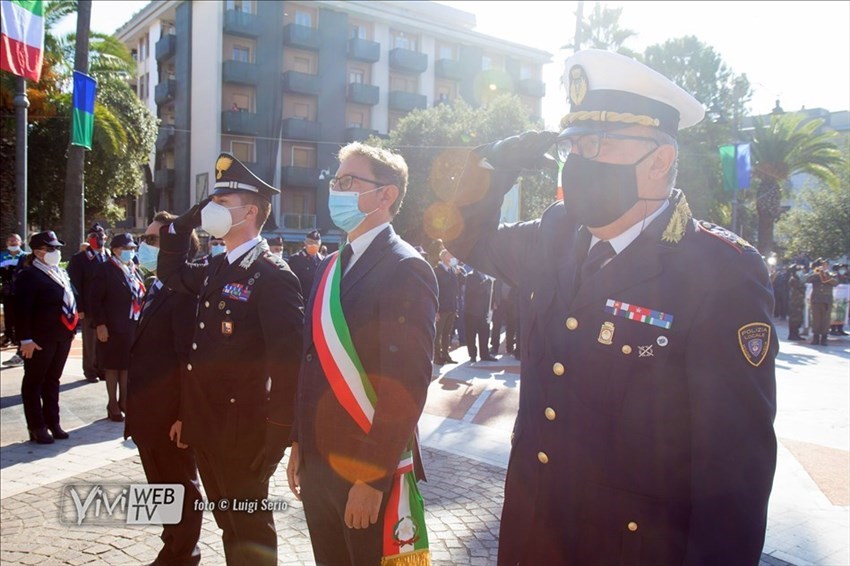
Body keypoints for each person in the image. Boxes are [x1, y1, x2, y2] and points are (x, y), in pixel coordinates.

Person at [445, 49, 778, 565]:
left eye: (598, 143)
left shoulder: (719, 272)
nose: (580, 160)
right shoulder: (556, 233)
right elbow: (464, 238)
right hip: (533, 538)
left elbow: (734, 473)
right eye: (573, 144)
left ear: (660, 160)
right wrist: (493, 163)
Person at [287, 142, 437, 565]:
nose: (336, 190)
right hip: (319, 463)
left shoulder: (406, 268)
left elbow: (406, 384)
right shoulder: (329, 266)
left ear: (386, 195)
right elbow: (310, 360)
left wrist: (371, 480)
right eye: (336, 181)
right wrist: (298, 442)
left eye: (349, 182)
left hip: (365, 470)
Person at [157, 153, 304, 565]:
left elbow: (288, 364)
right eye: (211, 203)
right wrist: (184, 222)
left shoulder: (273, 275)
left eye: (223, 203)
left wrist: (278, 436)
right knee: (227, 522)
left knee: (250, 527)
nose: (213, 211)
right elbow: (169, 273)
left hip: (245, 433)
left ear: (251, 212)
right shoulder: (217, 266)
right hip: (208, 427)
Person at [126, 212, 203, 566]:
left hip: (169, 416)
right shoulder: (158, 286)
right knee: (161, 486)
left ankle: (183, 553)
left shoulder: (183, 293)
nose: (145, 246)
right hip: (148, 414)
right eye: (147, 238)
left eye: (155, 240)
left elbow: (189, 360)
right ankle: (172, 542)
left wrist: (186, 417)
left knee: (180, 487)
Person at [15, 231, 78, 444]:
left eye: (57, 248)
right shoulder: (29, 275)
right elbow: (20, 311)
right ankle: (37, 426)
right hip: (39, 339)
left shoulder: (59, 272)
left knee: (52, 380)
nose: (56, 252)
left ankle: (53, 422)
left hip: (62, 335)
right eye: (51, 249)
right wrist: (25, 340)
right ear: (38, 252)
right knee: (34, 382)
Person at [90, 233, 145, 422]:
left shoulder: (134, 269)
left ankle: (125, 401)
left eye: (132, 249)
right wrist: (100, 324)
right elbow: (95, 300)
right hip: (112, 325)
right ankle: (112, 403)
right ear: (115, 250)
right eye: (126, 248)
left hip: (132, 324)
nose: (130, 252)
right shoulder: (105, 269)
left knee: (127, 365)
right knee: (113, 366)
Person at [67, 223, 110, 383]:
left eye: (100, 236)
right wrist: (79, 307)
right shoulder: (80, 258)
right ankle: (90, 370)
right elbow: (74, 284)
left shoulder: (109, 255)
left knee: (104, 339)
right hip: (89, 307)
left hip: (106, 307)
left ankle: (102, 368)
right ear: (88, 239)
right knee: (90, 341)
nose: (98, 240)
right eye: (94, 237)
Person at [1, 233, 27, 366]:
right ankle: (9, 336)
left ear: (21, 242)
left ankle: (21, 350)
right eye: (10, 240)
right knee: (9, 318)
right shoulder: (2, 256)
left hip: (21, 294)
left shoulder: (25, 257)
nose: (12, 243)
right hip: (7, 293)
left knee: (20, 321)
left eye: (15, 240)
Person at [463, 268, 496, 363]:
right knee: (471, 335)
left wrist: (492, 302)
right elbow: (477, 290)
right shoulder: (470, 276)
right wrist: (488, 281)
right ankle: (473, 355)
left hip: (483, 311)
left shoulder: (486, 276)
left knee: (484, 334)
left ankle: (484, 354)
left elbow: (489, 292)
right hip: (471, 311)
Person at [434, 248, 461, 364]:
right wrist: (436, 310)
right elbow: (436, 290)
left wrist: (458, 274)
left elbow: (457, 288)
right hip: (442, 308)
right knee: (438, 333)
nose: (453, 258)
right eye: (451, 255)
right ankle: (437, 356)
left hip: (451, 307)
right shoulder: (437, 270)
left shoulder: (452, 271)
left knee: (447, 333)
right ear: (445, 257)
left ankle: (445, 354)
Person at [807, 258, 838, 345]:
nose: (823, 267)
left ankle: (824, 338)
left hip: (827, 300)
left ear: (827, 266)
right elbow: (807, 279)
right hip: (816, 300)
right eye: (822, 265)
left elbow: (836, 283)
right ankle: (815, 337)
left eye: (825, 265)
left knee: (825, 320)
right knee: (816, 319)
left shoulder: (831, 274)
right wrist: (816, 273)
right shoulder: (815, 274)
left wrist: (826, 276)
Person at [286, 229, 324, 297]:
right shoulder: (295, 259)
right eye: (310, 242)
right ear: (305, 243)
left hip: (316, 299)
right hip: (301, 299)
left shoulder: (323, 261)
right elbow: (290, 283)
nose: (313, 245)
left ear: (319, 245)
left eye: (316, 243)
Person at [787, 264, 806, 341]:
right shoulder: (794, 279)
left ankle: (796, 333)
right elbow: (800, 288)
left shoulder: (797, 278)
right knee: (795, 318)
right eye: (799, 270)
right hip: (795, 302)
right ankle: (793, 334)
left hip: (798, 301)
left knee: (798, 318)